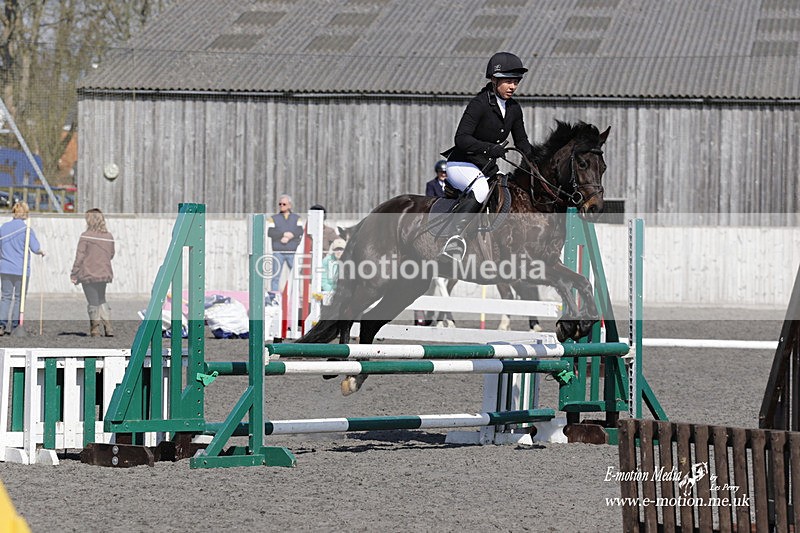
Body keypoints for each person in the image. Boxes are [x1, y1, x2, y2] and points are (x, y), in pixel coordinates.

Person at [440, 51, 534, 260]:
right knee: (481, 189)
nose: (513, 87)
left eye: (516, 82)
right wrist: (490, 149)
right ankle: (453, 241)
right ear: (494, 80)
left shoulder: (514, 109)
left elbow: (522, 142)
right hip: (461, 164)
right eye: (508, 81)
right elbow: (461, 138)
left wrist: (537, 160)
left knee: (507, 190)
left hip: (485, 167)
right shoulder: (479, 104)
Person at [0, 202, 45, 335]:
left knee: (6, 297)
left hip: (5, 268)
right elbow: (35, 248)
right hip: (21, 269)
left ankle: (1, 325)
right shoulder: (26, 229)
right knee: (19, 297)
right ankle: (15, 326)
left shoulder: (3, 228)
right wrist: (41, 252)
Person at [70, 208, 115, 337]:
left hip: (89, 273)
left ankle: (95, 329)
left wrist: (74, 273)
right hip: (104, 272)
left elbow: (80, 256)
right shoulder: (108, 236)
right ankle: (108, 327)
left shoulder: (86, 236)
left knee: (92, 301)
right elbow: (111, 254)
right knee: (102, 299)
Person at [268, 194, 303, 293]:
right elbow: (270, 232)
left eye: (284, 204)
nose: (281, 206)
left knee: (296, 276)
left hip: (292, 251)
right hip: (278, 251)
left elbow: (300, 231)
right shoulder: (273, 218)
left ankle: (295, 295)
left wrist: (291, 235)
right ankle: (274, 296)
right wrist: (283, 234)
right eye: (280, 204)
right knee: (275, 276)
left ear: (289, 205)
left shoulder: (297, 218)